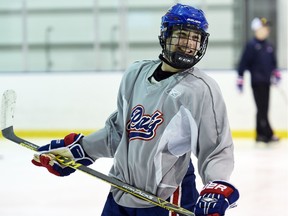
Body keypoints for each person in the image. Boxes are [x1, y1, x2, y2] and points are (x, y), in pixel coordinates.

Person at [32, 3, 239, 216]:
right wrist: (81, 150)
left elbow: (216, 149)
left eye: (195, 38)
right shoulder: (135, 74)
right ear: (165, 35)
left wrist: (216, 187)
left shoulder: (201, 89)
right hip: (119, 194)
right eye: (182, 35)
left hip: (166, 201)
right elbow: (119, 134)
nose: (188, 44)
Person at [236, 17, 281, 143]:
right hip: (257, 82)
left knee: (264, 108)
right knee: (261, 108)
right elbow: (243, 63)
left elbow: (273, 63)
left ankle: (260, 134)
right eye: (264, 28)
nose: (266, 31)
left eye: (267, 29)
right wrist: (240, 79)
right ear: (256, 30)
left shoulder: (268, 46)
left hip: (267, 82)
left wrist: (276, 74)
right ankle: (267, 134)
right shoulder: (251, 46)